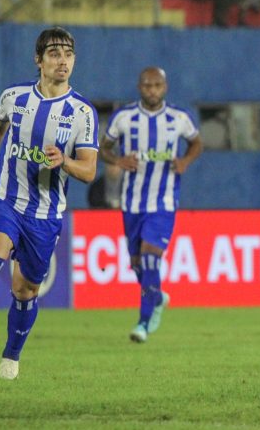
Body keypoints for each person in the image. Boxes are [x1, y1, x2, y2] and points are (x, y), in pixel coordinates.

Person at [0, 27, 98, 380]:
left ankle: (11, 355)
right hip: (6, 199)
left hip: (45, 215)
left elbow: (88, 170)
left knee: (24, 290)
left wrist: (65, 162)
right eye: (54, 54)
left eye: (68, 54)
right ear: (38, 60)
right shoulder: (13, 97)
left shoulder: (82, 112)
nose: (63, 61)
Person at [99, 67, 203, 344]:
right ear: (139, 87)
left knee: (149, 258)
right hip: (131, 203)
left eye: (157, 85)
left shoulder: (178, 118)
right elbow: (102, 147)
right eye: (147, 85)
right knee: (137, 265)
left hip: (164, 201)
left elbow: (196, 144)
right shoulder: (124, 117)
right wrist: (118, 161)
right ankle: (156, 296)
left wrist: (184, 162)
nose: (152, 90)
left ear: (165, 87)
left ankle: (143, 323)